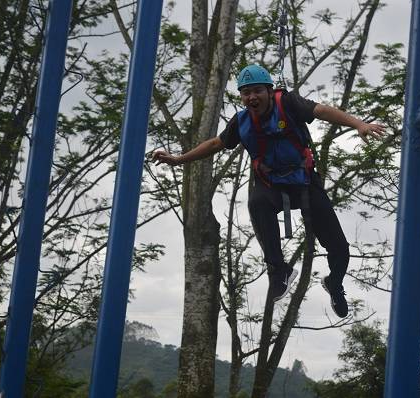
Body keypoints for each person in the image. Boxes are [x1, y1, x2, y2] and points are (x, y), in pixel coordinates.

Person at [152, 64, 385, 318]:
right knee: (257, 203)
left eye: (257, 91)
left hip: (305, 182)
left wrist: (358, 124)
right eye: (246, 93)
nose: (252, 97)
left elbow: (322, 111)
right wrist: (178, 159)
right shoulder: (241, 121)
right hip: (270, 185)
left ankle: (335, 283)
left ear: (268, 90)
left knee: (339, 249)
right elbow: (217, 143)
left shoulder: (289, 103)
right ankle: (278, 270)